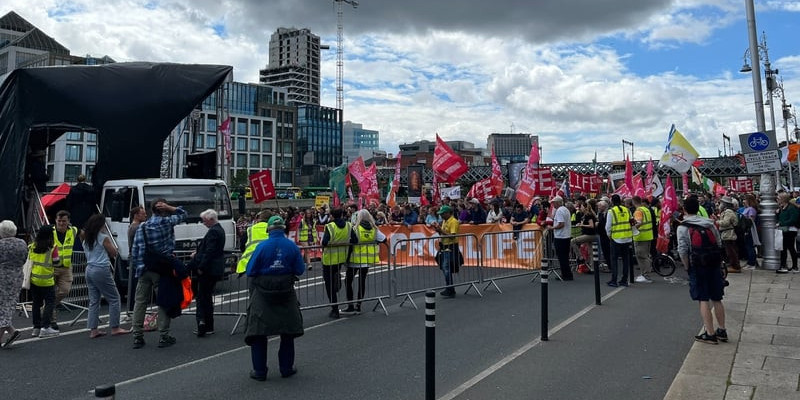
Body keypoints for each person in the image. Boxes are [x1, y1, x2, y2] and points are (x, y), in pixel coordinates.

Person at [244, 216, 305, 381]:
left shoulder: (262, 246)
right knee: (287, 332)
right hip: (286, 294)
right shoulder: (291, 246)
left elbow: (250, 270)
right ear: (283, 229)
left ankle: (259, 371)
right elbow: (300, 270)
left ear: (268, 230)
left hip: (263, 296)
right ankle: (286, 368)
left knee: (258, 333)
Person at [130, 199, 187, 349]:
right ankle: (163, 335)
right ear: (164, 210)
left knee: (140, 302)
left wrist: (139, 266)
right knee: (163, 301)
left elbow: (135, 250)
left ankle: (137, 336)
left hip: (144, 268)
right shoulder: (166, 223)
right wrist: (169, 207)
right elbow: (183, 213)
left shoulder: (142, 227)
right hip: (162, 270)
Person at [678, 195, 727, 344]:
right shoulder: (710, 224)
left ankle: (710, 333)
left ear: (684, 209)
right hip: (713, 263)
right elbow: (719, 243)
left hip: (697, 265)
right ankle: (722, 330)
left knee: (703, 298)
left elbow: (683, 250)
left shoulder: (683, 227)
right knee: (717, 298)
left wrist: (687, 266)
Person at [81, 214, 130, 338]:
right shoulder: (103, 237)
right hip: (101, 268)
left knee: (94, 300)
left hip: (89, 268)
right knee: (114, 298)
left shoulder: (86, 237)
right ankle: (115, 327)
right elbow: (113, 252)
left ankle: (93, 329)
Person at [187, 209, 226, 337]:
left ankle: (203, 324)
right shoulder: (219, 230)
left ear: (211, 219)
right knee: (206, 297)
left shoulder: (214, 232)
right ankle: (208, 325)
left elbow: (209, 252)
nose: (203, 223)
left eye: (204, 221)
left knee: (202, 297)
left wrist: (200, 266)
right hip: (214, 268)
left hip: (208, 269)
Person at [341, 210, 387, 315]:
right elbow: (384, 239)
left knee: (348, 282)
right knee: (362, 283)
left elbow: (350, 241)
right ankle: (359, 306)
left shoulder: (355, 228)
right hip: (366, 260)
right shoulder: (374, 229)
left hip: (355, 260)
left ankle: (350, 305)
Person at [28, 226, 59, 338]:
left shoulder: (32, 246)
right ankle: (45, 327)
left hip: (34, 279)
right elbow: (57, 262)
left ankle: (36, 328)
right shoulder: (52, 247)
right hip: (47, 281)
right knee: (49, 303)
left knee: (36, 303)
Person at [0, 220, 27, 348]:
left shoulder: (1, 245)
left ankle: (6, 334)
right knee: (9, 304)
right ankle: (11, 331)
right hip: (17, 276)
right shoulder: (22, 243)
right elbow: (24, 259)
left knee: (2, 306)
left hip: (3, 277)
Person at [51, 210, 79, 331]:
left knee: (65, 291)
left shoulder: (73, 230)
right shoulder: (50, 232)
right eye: (59, 221)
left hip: (66, 267)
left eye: (64, 221)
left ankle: (47, 308)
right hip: (51, 267)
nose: (61, 223)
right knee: (50, 293)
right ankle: (52, 320)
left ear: (68, 221)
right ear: (55, 221)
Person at [321, 207, 351, 318]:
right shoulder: (348, 225)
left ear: (332, 216)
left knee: (329, 285)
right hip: (341, 257)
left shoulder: (330, 226)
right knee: (333, 279)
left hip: (329, 260)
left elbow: (324, 242)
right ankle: (336, 280)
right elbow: (354, 240)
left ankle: (334, 309)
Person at [431, 205, 461, 297]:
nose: (441, 216)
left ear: (448, 213)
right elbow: (443, 233)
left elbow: (452, 236)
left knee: (446, 268)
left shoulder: (453, 222)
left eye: (443, 214)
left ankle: (450, 289)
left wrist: (441, 230)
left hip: (451, 247)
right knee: (445, 268)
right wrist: (438, 230)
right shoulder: (445, 221)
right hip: (444, 246)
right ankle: (449, 288)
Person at [605, 194, 633, 287]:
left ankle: (614, 280)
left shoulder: (611, 211)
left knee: (614, 260)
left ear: (612, 202)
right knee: (626, 260)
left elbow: (608, 226)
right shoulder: (627, 210)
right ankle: (624, 280)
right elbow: (632, 222)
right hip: (627, 237)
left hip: (616, 238)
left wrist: (609, 235)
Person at [549, 196, 574, 281]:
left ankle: (565, 274)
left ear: (558, 202)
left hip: (560, 237)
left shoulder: (559, 211)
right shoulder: (565, 209)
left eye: (554, 202)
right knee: (565, 256)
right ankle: (568, 273)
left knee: (562, 257)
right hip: (566, 236)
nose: (553, 204)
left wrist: (552, 228)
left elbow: (561, 224)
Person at [632, 196, 654, 283]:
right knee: (645, 256)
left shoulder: (638, 211)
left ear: (634, 202)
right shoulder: (646, 209)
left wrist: (632, 228)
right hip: (648, 235)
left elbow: (639, 222)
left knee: (641, 256)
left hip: (641, 236)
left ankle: (645, 275)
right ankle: (646, 274)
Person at [716, 196, 741, 274]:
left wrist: (716, 221)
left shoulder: (728, 212)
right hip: (726, 234)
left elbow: (725, 223)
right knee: (729, 250)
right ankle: (733, 264)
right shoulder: (726, 211)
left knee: (731, 251)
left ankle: (736, 266)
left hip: (729, 234)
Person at [775, 192, 799, 274]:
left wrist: (782, 223)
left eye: (778, 198)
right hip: (784, 230)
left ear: (783, 199)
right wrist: (777, 213)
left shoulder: (791, 208)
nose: (777, 200)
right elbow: (781, 218)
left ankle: (789, 266)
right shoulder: (782, 208)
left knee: (789, 248)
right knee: (785, 248)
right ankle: (787, 266)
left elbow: (793, 219)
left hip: (790, 231)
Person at [570, 201, 597, 270]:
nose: (580, 208)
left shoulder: (589, 215)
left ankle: (580, 257)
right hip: (588, 234)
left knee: (572, 241)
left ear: (585, 208)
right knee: (590, 252)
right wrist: (580, 224)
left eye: (581, 207)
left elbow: (591, 225)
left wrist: (582, 225)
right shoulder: (584, 215)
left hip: (590, 235)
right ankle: (593, 268)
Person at [741, 194, 760, 269]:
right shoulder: (746, 208)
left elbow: (751, 220)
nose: (743, 201)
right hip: (745, 229)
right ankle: (750, 262)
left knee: (750, 246)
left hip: (749, 229)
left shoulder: (751, 209)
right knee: (748, 246)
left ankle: (752, 263)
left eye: (745, 199)